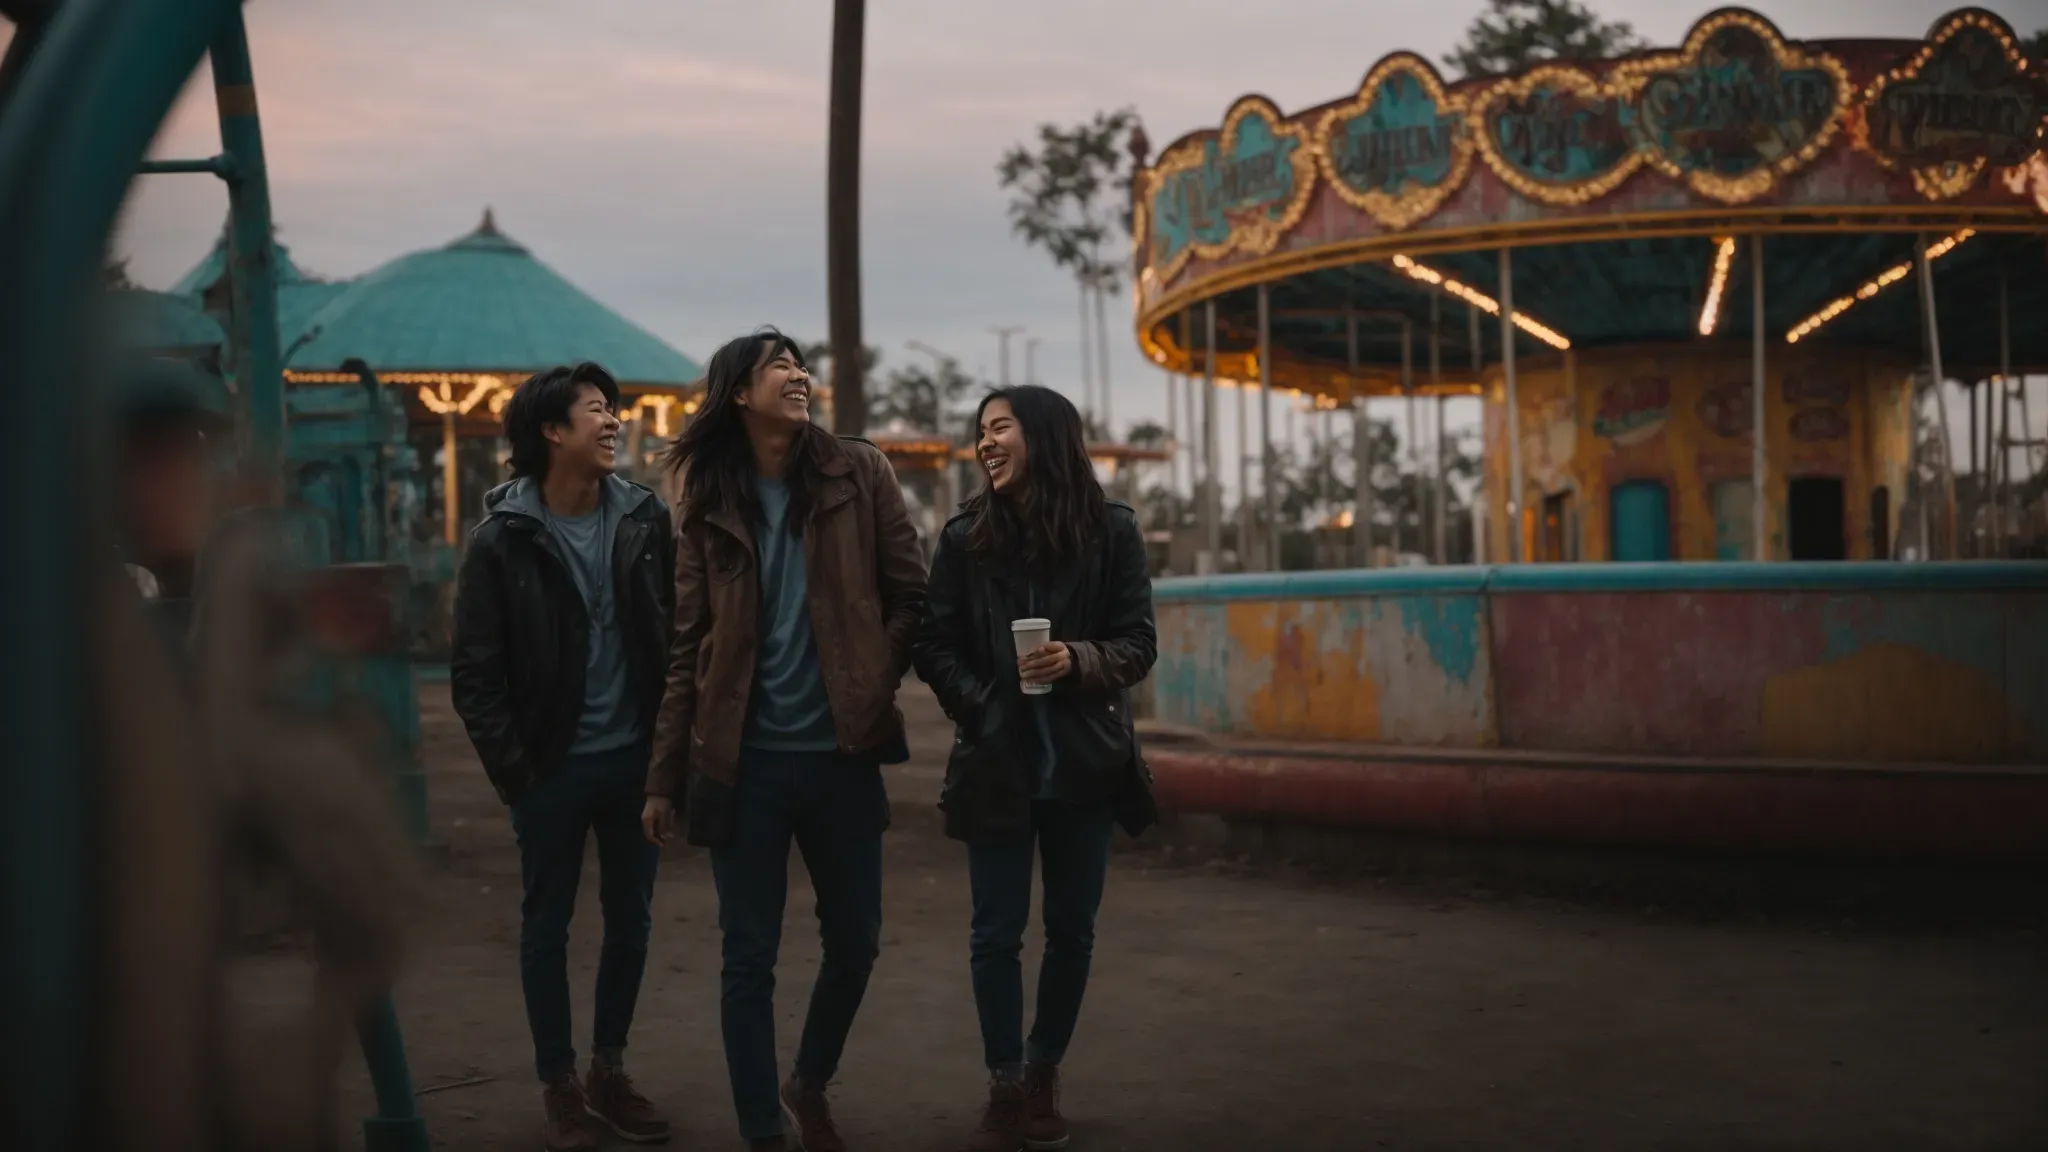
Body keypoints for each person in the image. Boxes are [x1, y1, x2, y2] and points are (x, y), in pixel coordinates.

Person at [641, 328, 926, 1152]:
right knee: (747, 960)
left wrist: (875, 675)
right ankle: (762, 1129)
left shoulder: (858, 470)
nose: (800, 375)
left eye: (802, 364)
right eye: (780, 365)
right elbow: (687, 642)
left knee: (857, 941)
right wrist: (664, 775)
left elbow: (910, 592)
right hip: (742, 766)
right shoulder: (706, 496)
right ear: (739, 393)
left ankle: (808, 1080)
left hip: (843, 755)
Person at [913, 385, 1159, 1152]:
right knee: (994, 932)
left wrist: (1078, 659)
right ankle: (1005, 1082)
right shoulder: (964, 537)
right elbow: (933, 643)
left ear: (1045, 436)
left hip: (1086, 764)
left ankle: (1044, 1065)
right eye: (980, 431)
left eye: (1000, 428)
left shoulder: (1112, 530)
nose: (985, 443)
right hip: (998, 761)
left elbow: (1139, 642)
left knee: (1071, 931)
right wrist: (981, 704)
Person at [450, 361, 675, 1151]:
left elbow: (678, 642)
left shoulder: (647, 519)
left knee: (633, 923)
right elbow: (475, 676)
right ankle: (560, 1085)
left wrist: (666, 761)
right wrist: (519, 775)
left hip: (633, 768)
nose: (613, 421)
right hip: (549, 769)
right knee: (546, 925)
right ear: (551, 431)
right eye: (595, 411)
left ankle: (608, 1070)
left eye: (614, 409)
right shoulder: (500, 541)